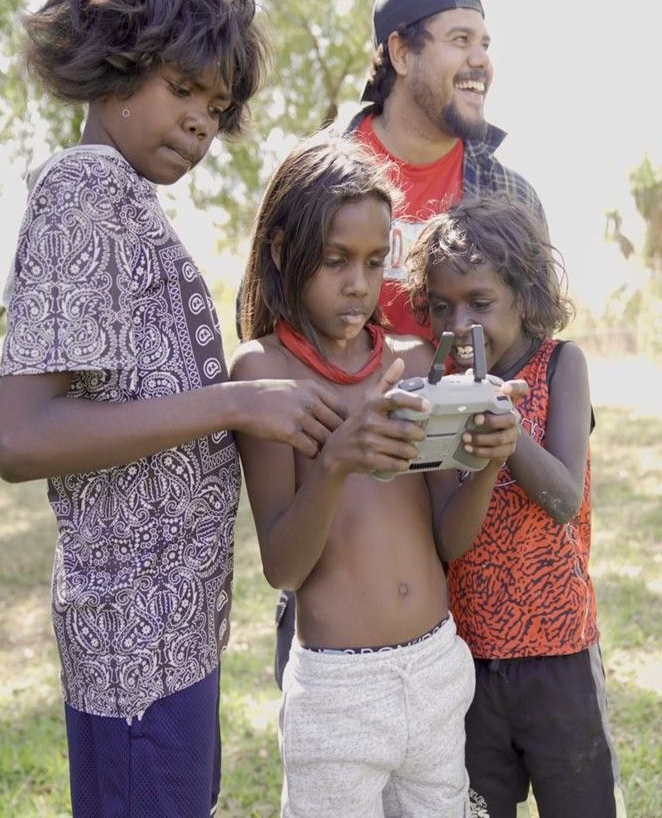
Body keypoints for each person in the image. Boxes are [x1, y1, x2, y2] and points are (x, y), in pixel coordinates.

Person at [0, 0, 347, 816]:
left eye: (215, 106)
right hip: (133, 648)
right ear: (114, 65)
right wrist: (231, 403)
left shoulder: (127, 201)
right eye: (182, 89)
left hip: (171, 639)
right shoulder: (84, 190)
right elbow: (22, 435)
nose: (199, 123)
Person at [271, 0, 549, 688]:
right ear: (399, 52)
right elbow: (274, 343)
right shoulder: (319, 175)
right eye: (460, 39)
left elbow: (538, 361)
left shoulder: (509, 195)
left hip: (473, 535)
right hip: (342, 544)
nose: (481, 60)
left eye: (486, 43)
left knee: (466, 777)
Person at [232, 134, 524, 817]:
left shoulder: (415, 357)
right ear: (283, 252)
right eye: (335, 261)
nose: (360, 284)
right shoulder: (262, 373)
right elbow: (284, 566)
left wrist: (486, 461)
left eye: (372, 260)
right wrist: (337, 460)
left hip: (434, 668)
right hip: (339, 693)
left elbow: (448, 541)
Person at [404, 195, 624, 818]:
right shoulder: (441, 392)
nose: (460, 323)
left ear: (524, 297)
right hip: (471, 661)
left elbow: (563, 497)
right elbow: (449, 541)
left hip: (561, 654)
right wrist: (473, 436)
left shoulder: (562, 365)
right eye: (442, 307)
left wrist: (506, 431)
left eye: (480, 302)